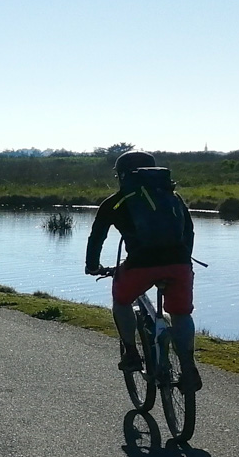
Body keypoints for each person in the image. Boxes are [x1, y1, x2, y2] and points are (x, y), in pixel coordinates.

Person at [85, 150, 201, 393]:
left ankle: (131, 353)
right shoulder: (173, 197)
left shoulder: (116, 201)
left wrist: (92, 265)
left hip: (140, 265)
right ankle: (188, 365)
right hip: (179, 264)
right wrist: (183, 260)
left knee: (121, 300)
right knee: (181, 314)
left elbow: (97, 237)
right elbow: (188, 231)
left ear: (123, 174)